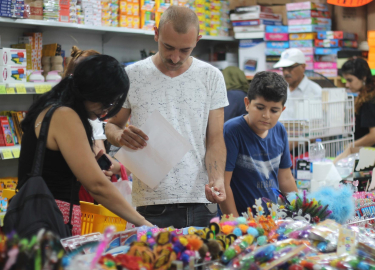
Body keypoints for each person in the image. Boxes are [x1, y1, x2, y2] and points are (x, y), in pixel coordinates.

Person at [105, 6, 229, 228]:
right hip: (151, 204)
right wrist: (121, 136)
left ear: (198, 40)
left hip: (201, 201)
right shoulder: (132, 75)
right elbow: (112, 125)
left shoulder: (211, 77)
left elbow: (215, 140)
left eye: (185, 50)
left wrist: (217, 178)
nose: (175, 57)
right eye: (168, 47)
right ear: (156, 34)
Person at [17, 55, 152, 236]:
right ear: (92, 92)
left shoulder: (50, 107)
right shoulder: (65, 116)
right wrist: (143, 222)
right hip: (49, 221)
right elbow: (97, 186)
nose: (107, 110)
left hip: (34, 216)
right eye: (107, 102)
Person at [219, 71, 298, 217]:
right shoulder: (232, 131)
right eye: (260, 107)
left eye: (274, 110)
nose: (266, 115)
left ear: (282, 110)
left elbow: (285, 178)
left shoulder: (279, 130)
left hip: (270, 221)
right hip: (240, 221)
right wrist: (236, 224)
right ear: (247, 104)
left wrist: (302, 210)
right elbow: (224, 183)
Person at [63, 46, 128, 203]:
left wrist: (105, 167)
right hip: (66, 198)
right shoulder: (62, 115)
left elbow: (99, 153)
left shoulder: (92, 116)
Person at [341, 57, 375, 147]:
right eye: (345, 80)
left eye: (350, 80)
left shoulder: (368, 100)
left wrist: (351, 146)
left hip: (370, 151)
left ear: (363, 78)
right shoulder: (373, 94)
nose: (347, 84)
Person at [273, 48, 322, 120]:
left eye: (290, 67)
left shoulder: (316, 92)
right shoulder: (278, 91)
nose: (286, 72)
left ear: (303, 67)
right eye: (284, 68)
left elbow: (318, 123)